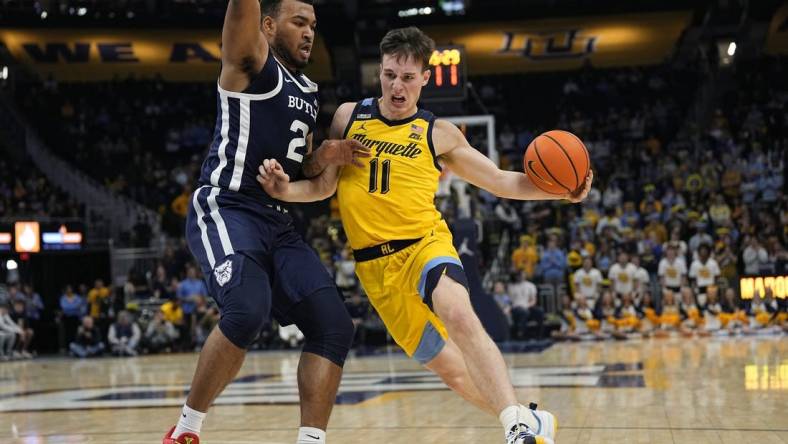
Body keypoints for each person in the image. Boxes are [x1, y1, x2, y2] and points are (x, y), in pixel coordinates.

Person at [258, 26, 593, 444]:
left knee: (457, 311)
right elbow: (325, 187)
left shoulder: (439, 133)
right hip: (375, 269)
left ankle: (516, 427)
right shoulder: (349, 117)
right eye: (389, 75)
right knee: (452, 372)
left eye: (407, 77)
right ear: (379, 72)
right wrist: (284, 190)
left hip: (424, 244)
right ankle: (528, 417)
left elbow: (502, 181)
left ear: (425, 78)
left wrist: (562, 190)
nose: (397, 86)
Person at [165, 1, 366, 442]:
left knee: (334, 326)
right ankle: (185, 430)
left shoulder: (310, 90)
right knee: (247, 310)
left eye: (313, 24)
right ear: (269, 25)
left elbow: (305, 168)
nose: (309, 32)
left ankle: (311, 440)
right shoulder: (252, 62)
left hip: (277, 219)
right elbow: (241, 13)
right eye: (299, 22)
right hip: (228, 206)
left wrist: (326, 156)